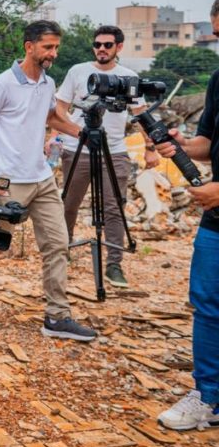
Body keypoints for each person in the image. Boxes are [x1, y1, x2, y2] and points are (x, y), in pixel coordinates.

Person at [0, 20, 98, 343]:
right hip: (9, 181)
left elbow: (51, 117)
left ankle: (57, 316)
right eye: (47, 47)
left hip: (42, 178)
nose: (53, 53)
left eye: (56, 47)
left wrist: (81, 132)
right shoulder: (3, 84)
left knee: (57, 244)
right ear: (29, 46)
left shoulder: (47, 83)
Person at [155, 0, 219, 431]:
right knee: (208, 306)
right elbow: (208, 144)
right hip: (216, 224)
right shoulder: (218, 80)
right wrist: (178, 145)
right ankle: (208, 396)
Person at [55, 25, 160, 288]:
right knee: (69, 204)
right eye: (97, 44)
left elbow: (141, 114)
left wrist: (151, 147)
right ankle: (61, 252)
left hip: (114, 151)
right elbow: (60, 107)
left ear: (119, 48)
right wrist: (63, 134)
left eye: (108, 45)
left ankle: (114, 263)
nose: (101, 49)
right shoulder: (77, 71)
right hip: (77, 148)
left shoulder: (128, 76)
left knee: (114, 208)